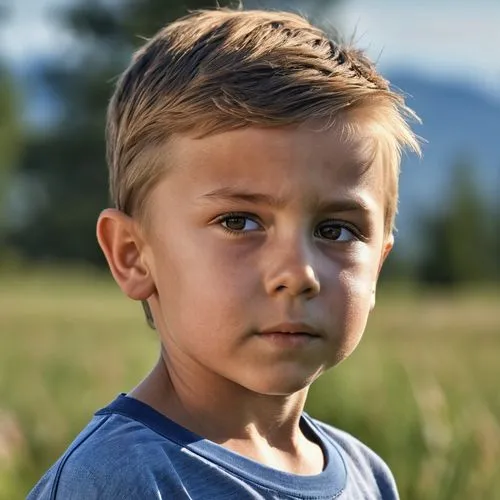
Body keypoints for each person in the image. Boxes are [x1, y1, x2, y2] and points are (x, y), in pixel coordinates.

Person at [28, 7, 420, 499]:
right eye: (239, 222)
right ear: (133, 254)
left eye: (336, 230)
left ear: (378, 264)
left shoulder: (368, 477)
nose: (297, 273)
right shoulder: (121, 481)